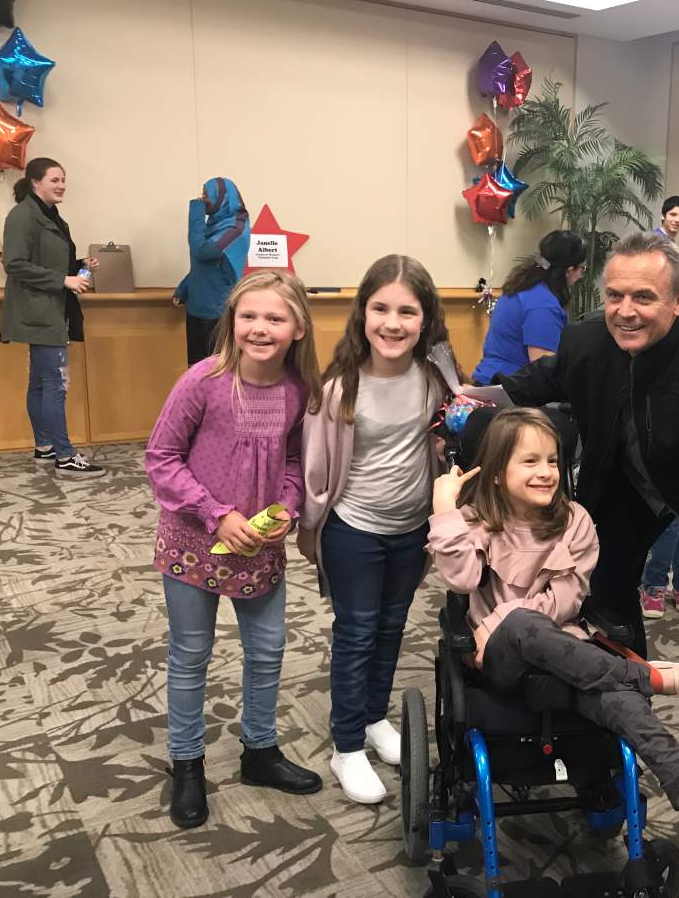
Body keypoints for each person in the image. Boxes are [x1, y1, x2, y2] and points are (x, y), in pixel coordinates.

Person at [426, 408, 679, 890]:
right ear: (498, 472)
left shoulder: (575, 521)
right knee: (523, 624)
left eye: (552, 460)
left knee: (630, 711)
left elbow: (567, 601)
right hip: (500, 664)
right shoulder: (474, 522)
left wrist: (502, 617)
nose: (546, 471)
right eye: (529, 461)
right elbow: (462, 579)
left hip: (569, 659)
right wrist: (445, 508)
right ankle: (656, 677)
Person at [494, 231, 679, 806]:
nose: (625, 311)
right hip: (624, 489)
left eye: (643, 297)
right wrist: (473, 398)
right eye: (614, 295)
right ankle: (624, 716)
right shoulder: (587, 340)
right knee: (603, 599)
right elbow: (541, 381)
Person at [145, 270, 324, 829]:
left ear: (298, 328)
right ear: (232, 321)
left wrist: (288, 507)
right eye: (248, 316)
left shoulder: (298, 391)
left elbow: (293, 460)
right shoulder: (203, 381)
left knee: (267, 650)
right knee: (190, 653)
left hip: (258, 546)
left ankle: (260, 752)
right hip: (194, 540)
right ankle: (187, 764)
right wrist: (216, 514)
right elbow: (161, 458)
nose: (259, 328)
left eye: (275, 318)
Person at [297, 255, 455, 804]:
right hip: (354, 530)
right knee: (357, 632)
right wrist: (311, 530)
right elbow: (315, 469)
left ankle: (371, 718)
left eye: (407, 312)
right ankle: (346, 746)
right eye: (380, 308)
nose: (392, 323)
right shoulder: (340, 387)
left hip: (411, 529)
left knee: (391, 628)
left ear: (425, 318)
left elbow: (442, 444)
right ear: (362, 313)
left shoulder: (435, 378)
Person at [0, 156, 104, 476]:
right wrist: (63, 280)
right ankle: (65, 455)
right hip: (38, 312)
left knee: (40, 383)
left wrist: (79, 265)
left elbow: (52, 262)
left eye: (63, 180)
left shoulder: (54, 217)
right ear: (36, 183)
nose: (61, 186)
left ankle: (44, 447)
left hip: (51, 308)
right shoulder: (22, 215)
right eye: (54, 180)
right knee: (54, 384)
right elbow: (15, 264)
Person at [471, 230, 587, 385]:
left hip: (491, 381)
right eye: (583, 269)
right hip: (508, 389)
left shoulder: (522, 287)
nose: (581, 276)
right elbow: (544, 368)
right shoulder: (542, 304)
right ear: (569, 270)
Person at [173, 177, 251, 366]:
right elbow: (202, 267)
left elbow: (202, 251)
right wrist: (184, 288)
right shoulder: (213, 226)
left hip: (218, 314)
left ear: (222, 197)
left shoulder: (237, 228)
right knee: (195, 370)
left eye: (206, 194)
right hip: (197, 310)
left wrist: (196, 210)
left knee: (217, 372)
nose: (202, 199)